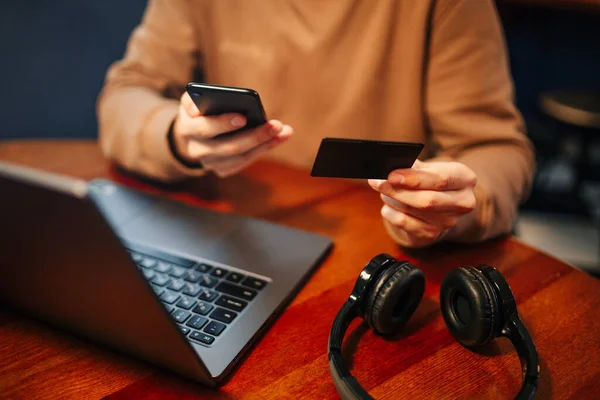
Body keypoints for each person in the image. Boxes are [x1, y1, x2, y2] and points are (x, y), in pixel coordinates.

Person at [97, 0, 535, 248]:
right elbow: (125, 94)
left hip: (376, 251)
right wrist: (175, 137)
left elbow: (497, 150)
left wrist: (452, 204)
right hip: (229, 236)